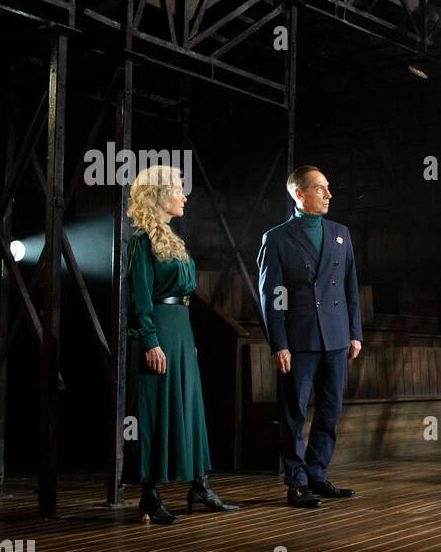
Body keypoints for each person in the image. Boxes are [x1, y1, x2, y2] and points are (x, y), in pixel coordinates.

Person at [126, 165, 235, 524]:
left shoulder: (171, 238)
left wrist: (187, 342)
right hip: (158, 330)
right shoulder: (142, 239)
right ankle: (148, 493)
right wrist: (150, 340)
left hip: (181, 332)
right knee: (155, 410)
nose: (184, 196)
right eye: (177, 189)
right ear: (159, 195)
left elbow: (184, 294)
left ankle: (200, 486)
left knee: (189, 407)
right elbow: (139, 297)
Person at [257, 166, 363, 507]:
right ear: (299, 194)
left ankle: (317, 474)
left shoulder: (340, 233)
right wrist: (279, 343)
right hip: (298, 338)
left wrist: (355, 333)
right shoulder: (276, 237)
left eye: (328, 188)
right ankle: (296, 480)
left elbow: (350, 288)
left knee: (330, 410)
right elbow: (270, 295)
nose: (329, 195)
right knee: (294, 413)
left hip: (335, 336)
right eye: (321, 189)